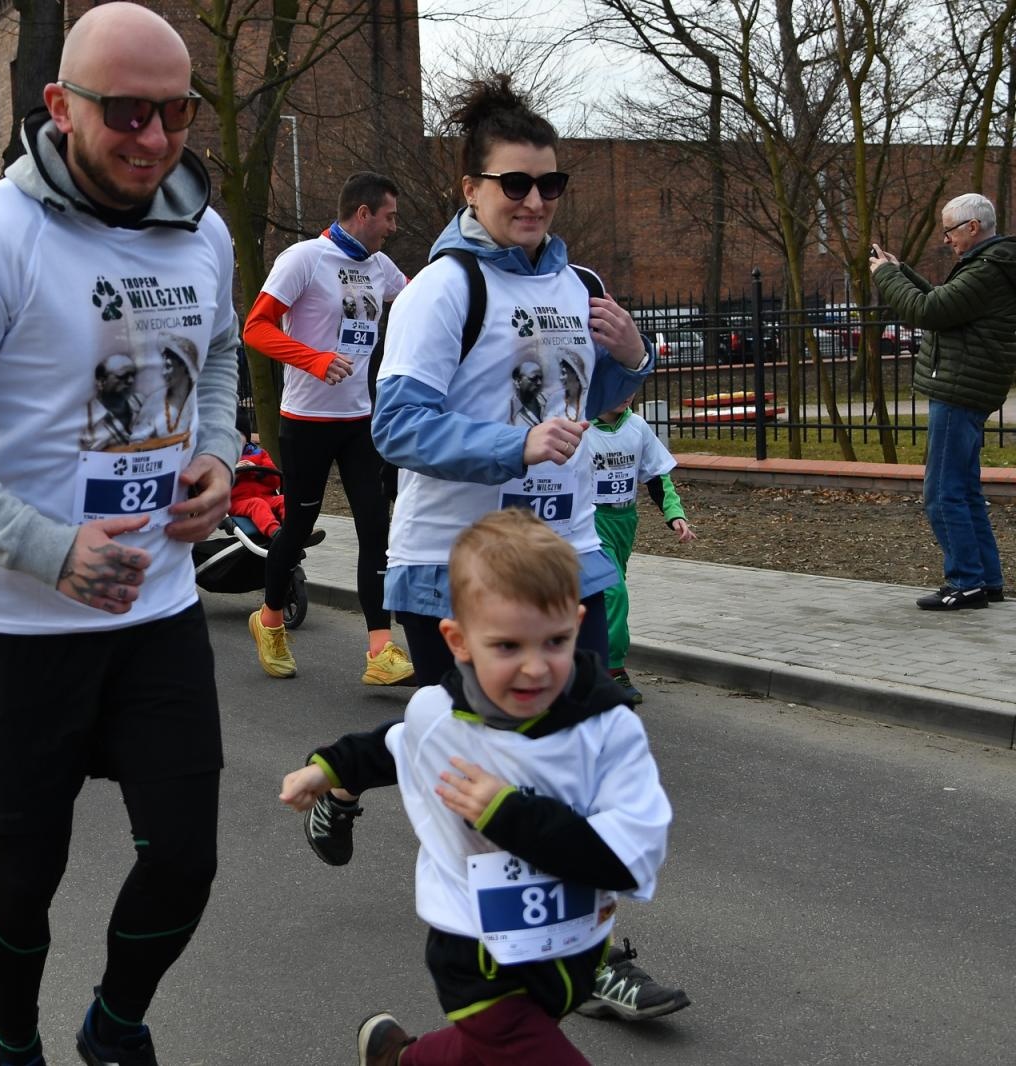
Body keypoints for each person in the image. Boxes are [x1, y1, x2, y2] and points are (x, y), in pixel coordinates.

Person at [0, 5, 239, 1062]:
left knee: (185, 860)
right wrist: (47, 548)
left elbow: (214, 353)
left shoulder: (198, 225)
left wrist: (214, 448)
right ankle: (14, 1040)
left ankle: (115, 1022)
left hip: (158, 608)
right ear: (58, 107)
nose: (154, 138)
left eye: (173, 111)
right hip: (23, 628)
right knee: (23, 881)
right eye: (125, 112)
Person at [355, 73, 688, 1025]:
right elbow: (397, 427)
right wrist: (513, 445)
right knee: (490, 777)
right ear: (471, 187)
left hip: (564, 561)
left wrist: (631, 357)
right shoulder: (442, 290)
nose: (535, 200)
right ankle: (497, 986)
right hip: (454, 566)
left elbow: (595, 407)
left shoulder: (579, 285)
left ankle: (591, 954)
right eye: (514, 184)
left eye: (550, 183)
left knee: (577, 762)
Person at [280, 509, 674, 1066]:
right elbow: (393, 745)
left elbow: (630, 859)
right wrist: (326, 770)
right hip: (477, 959)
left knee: (487, 1054)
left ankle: (400, 1059)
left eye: (556, 641)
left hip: (575, 948)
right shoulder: (439, 715)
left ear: (577, 621)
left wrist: (507, 813)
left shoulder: (607, 730)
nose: (535, 669)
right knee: (515, 1045)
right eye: (508, 647)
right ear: (459, 641)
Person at [243, 171, 413, 685]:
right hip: (305, 423)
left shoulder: (381, 267)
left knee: (374, 529)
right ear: (363, 213)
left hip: (359, 421)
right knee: (295, 528)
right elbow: (255, 328)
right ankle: (270, 619)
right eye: (388, 217)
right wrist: (314, 360)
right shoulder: (303, 260)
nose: (392, 228)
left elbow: (418, 308)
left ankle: (380, 651)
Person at [871, 193, 1016, 610]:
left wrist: (885, 276)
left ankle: (966, 582)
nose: (946, 239)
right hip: (969, 387)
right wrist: (903, 271)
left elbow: (926, 312)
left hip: (957, 390)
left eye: (950, 230)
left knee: (941, 493)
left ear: (972, 228)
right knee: (965, 491)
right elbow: (943, 303)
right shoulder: (992, 265)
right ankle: (986, 581)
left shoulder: (987, 270)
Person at [589, 399, 695, 704]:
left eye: (632, 388)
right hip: (590, 521)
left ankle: (582, 659)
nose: (627, 395)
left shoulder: (637, 427)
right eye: (619, 387)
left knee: (601, 596)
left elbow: (658, 477)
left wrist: (674, 514)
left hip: (625, 522)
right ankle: (614, 671)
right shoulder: (581, 428)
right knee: (614, 592)